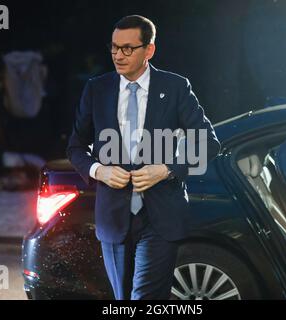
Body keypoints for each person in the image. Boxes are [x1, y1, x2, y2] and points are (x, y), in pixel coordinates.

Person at [67, 15, 220, 300]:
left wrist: (166, 169)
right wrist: (100, 170)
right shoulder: (97, 89)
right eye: (114, 47)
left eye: (127, 48)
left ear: (148, 50)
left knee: (145, 298)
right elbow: (75, 147)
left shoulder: (175, 87)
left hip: (160, 217)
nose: (118, 55)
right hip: (114, 217)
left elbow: (208, 143)